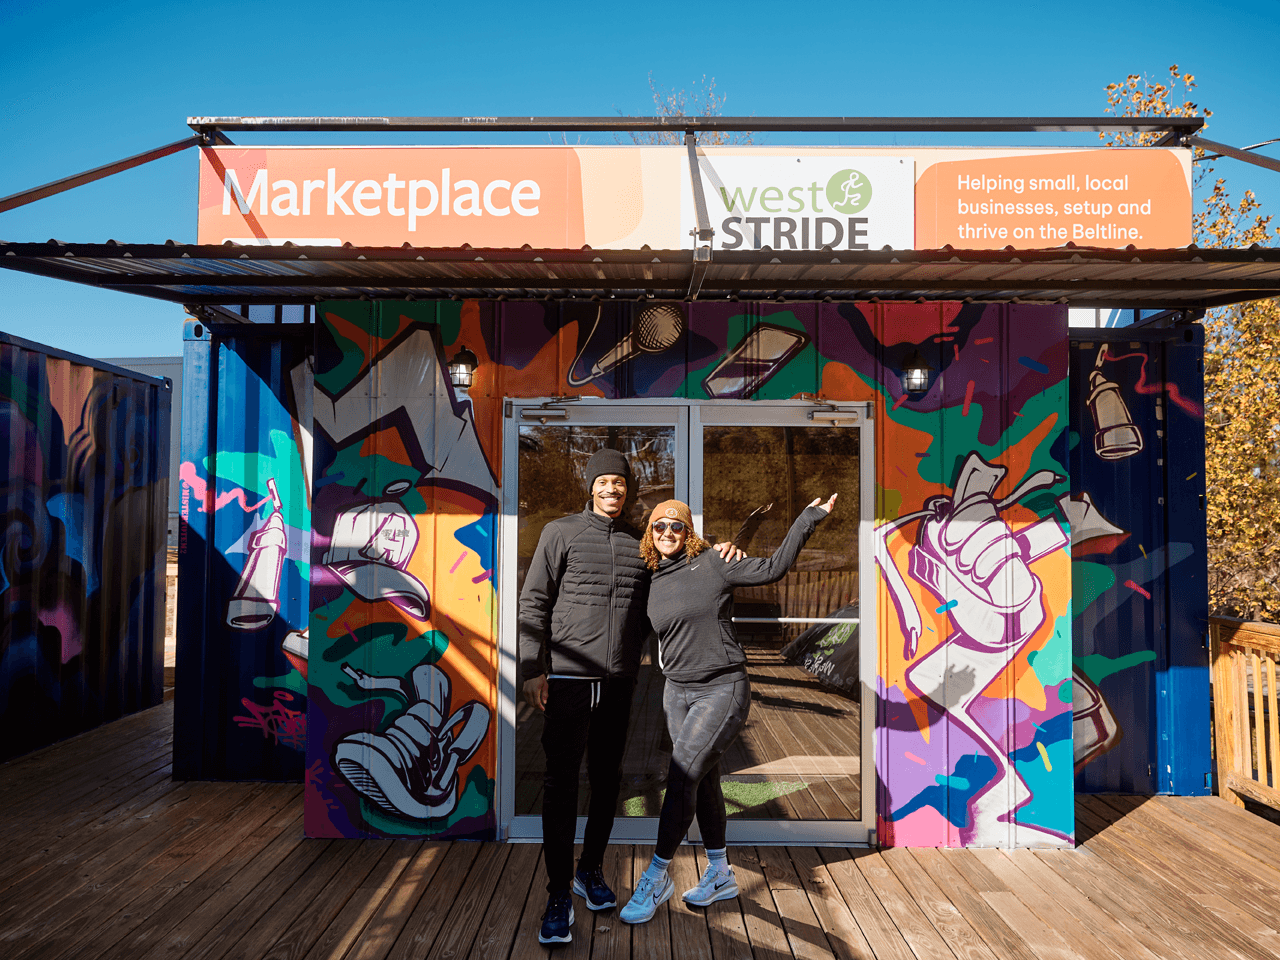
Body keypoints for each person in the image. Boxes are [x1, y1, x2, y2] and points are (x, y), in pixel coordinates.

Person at [518, 448, 742, 945]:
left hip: (619, 683)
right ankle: (558, 894)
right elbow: (533, 602)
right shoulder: (560, 533)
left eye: (620, 482)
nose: (612, 489)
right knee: (559, 785)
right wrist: (533, 668)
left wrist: (721, 554)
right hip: (570, 683)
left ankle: (589, 871)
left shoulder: (639, 546)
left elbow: (681, 579)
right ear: (590, 485)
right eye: (604, 481)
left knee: (606, 781)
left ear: (627, 490)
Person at [619, 493, 836, 924]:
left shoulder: (715, 563)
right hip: (676, 692)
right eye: (659, 526)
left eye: (676, 526)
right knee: (703, 779)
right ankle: (720, 872)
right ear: (650, 534)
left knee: (681, 777)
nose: (667, 533)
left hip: (722, 688)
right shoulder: (650, 579)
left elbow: (774, 568)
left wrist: (808, 518)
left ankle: (658, 875)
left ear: (688, 532)